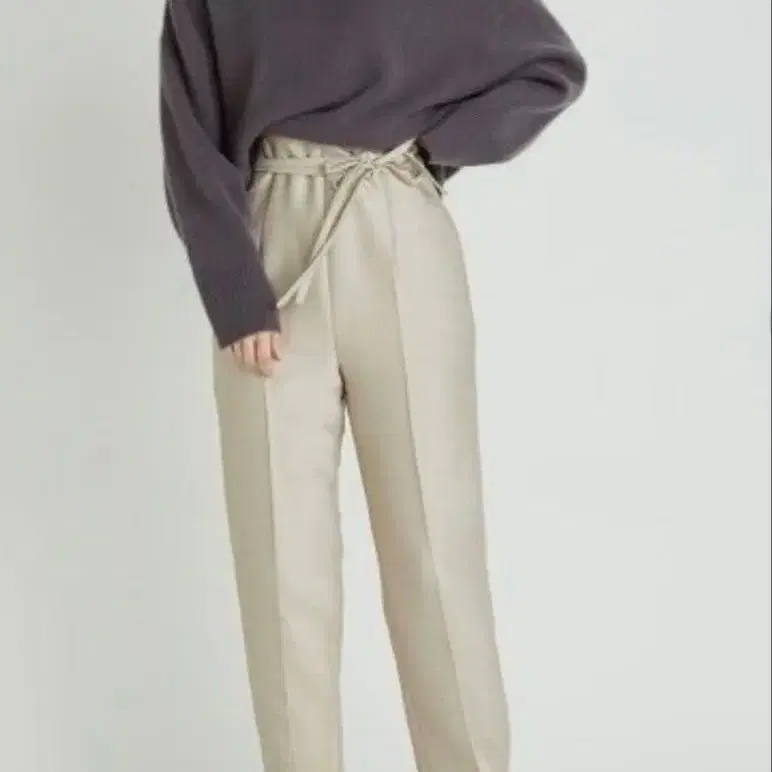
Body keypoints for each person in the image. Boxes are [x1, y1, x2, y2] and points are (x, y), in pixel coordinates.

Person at [159, 1, 586, 770]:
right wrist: (234, 291)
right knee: (281, 564)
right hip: (269, 249)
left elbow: (548, 65)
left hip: (396, 224)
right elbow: (191, 131)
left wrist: (431, 147)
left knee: (436, 552)